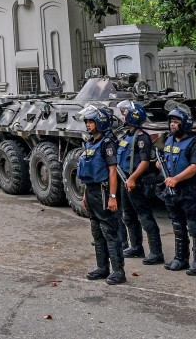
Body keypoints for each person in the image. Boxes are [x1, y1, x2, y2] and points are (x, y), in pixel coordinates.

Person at [77, 104, 125, 285]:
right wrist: (84, 195)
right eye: (87, 122)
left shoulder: (107, 143)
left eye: (91, 121)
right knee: (97, 232)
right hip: (91, 191)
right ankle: (102, 267)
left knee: (110, 232)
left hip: (104, 191)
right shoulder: (89, 142)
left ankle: (118, 271)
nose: (88, 125)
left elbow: (113, 172)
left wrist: (112, 197)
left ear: (100, 123)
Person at [159, 106, 196, 274]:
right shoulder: (168, 140)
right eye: (171, 121)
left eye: (176, 122)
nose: (173, 125)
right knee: (177, 225)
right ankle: (181, 258)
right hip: (171, 190)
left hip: (188, 189)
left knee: (194, 226)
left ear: (185, 124)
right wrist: (160, 165)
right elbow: (165, 159)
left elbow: (195, 167)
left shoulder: (195, 143)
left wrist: (176, 179)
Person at [114, 100, 164, 265]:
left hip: (136, 182)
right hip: (125, 181)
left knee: (145, 217)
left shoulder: (142, 137)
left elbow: (144, 162)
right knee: (127, 216)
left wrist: (133, 178)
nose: (123, 116)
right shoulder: (126, 135)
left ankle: (156, 252)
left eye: (125, 113)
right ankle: (136, 247)